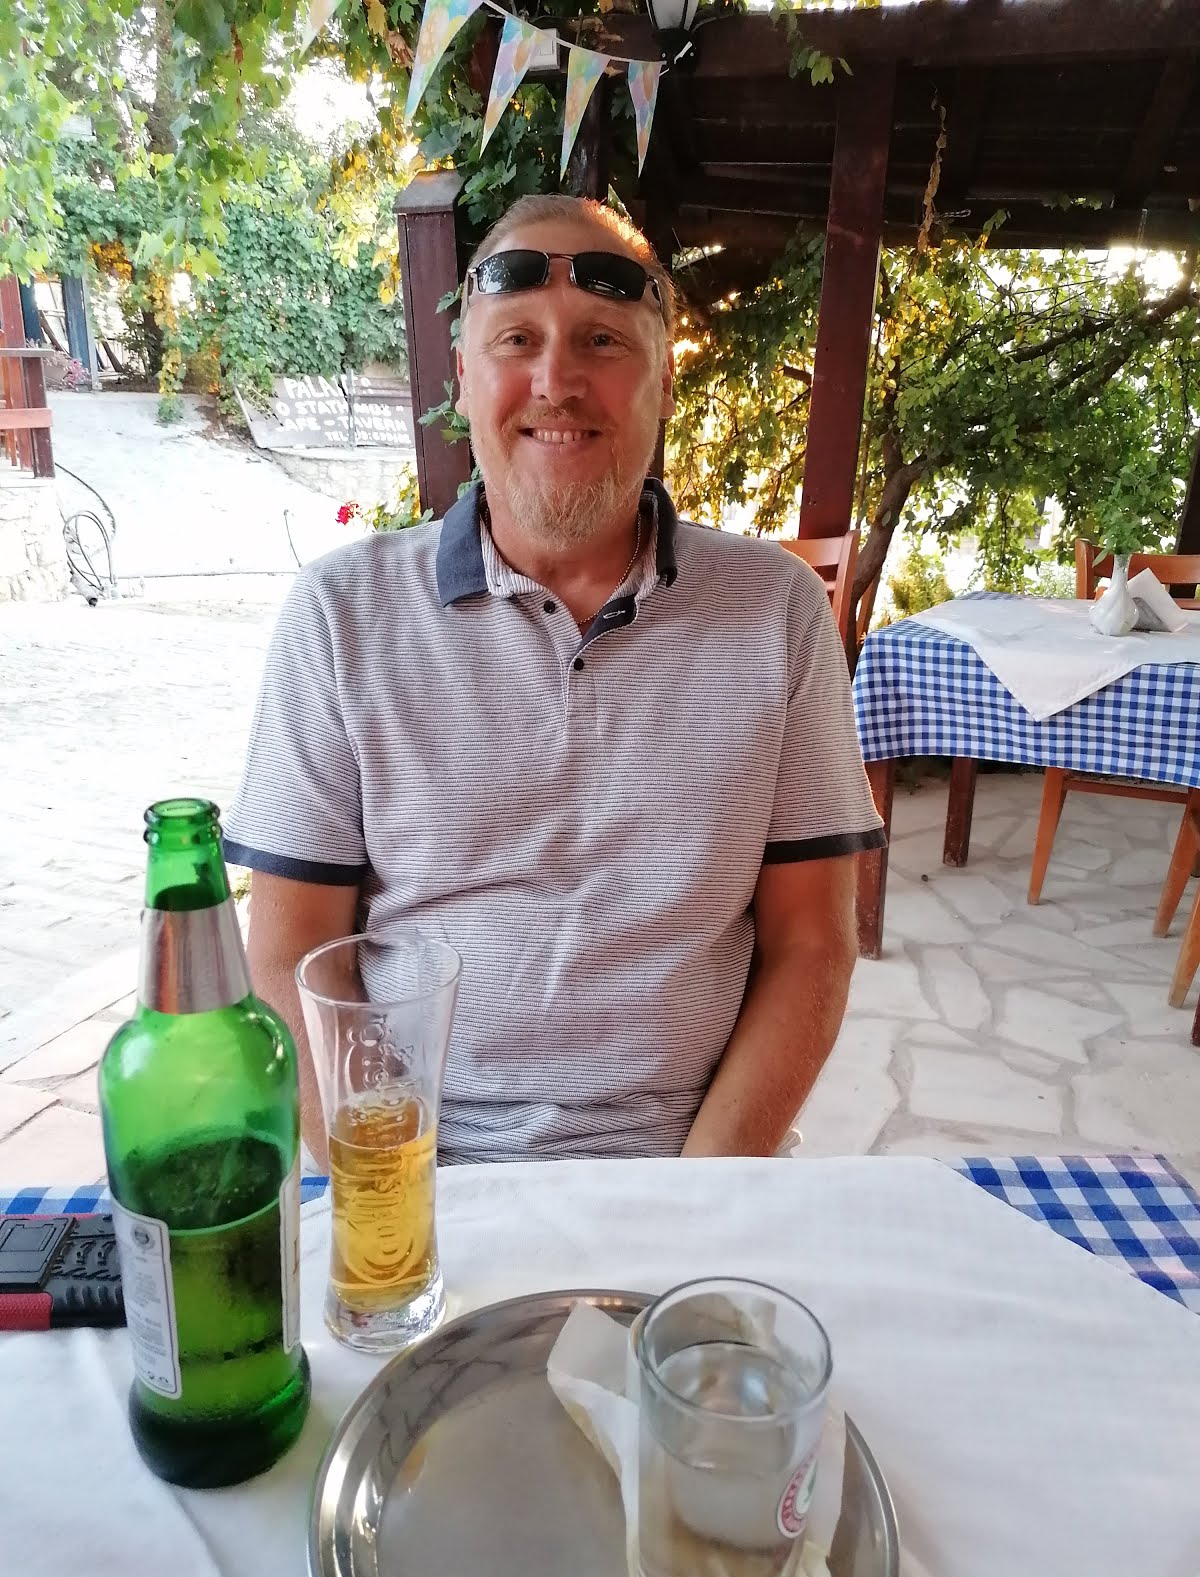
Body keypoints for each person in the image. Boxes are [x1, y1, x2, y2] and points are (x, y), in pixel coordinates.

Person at [223, 194, 885, 1169]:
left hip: (690, 1164)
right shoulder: (340, 615)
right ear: (463, 378)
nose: (556, 381)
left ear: (665, 381)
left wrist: (698, 1198)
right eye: (517, 339)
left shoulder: (776, 610)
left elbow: (812, 943)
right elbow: (289, 958)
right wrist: (389, 1194)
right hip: (414, 1165)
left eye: (603, 341)